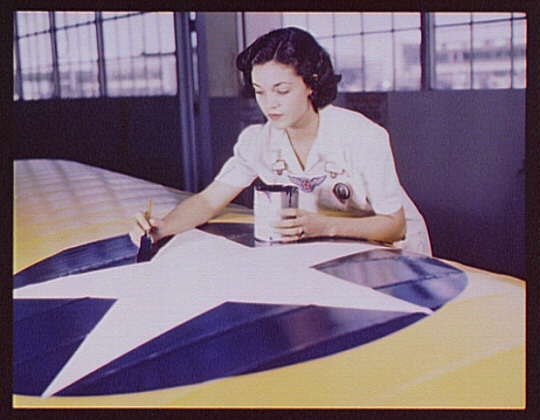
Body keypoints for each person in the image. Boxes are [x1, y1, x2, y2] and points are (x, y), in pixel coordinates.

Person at [131, 27, 432, 255]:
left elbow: (395, 225)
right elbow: (210, 200)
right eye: (260, 91)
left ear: (311, 84)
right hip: (329, 247)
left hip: (396, 252)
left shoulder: (362, 137)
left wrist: (323, 225)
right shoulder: (257, 141)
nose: (269, 104)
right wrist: (162, 228)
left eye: (282, 90)